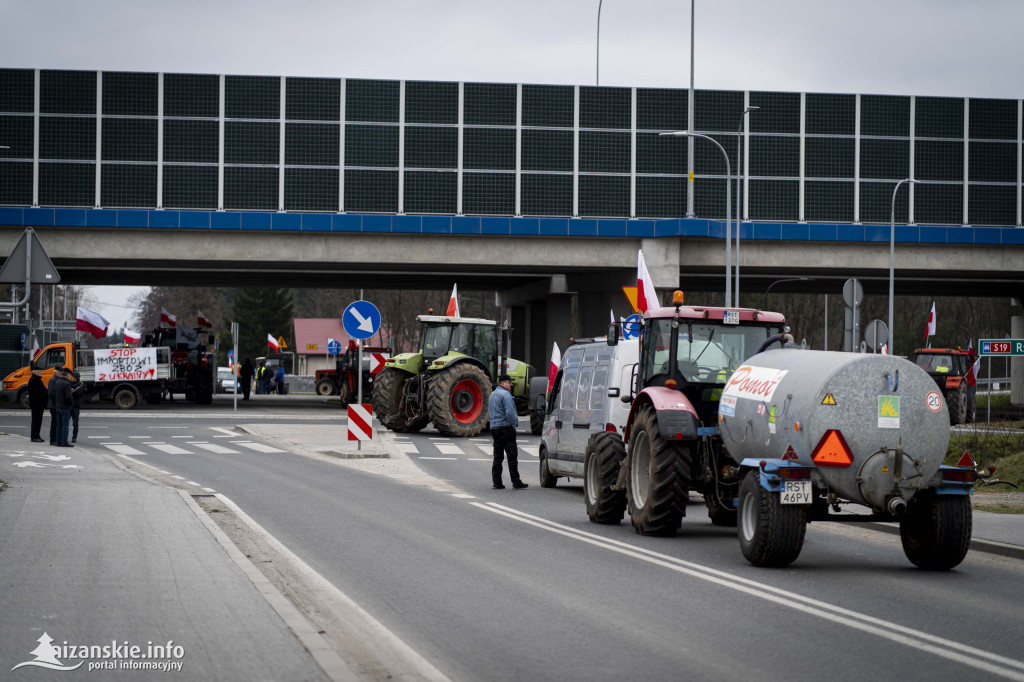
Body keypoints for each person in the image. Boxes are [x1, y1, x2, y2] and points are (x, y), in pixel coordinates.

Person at [488, 374, 527, 490]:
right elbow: (510, 412)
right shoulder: (506, 395)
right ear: (503, 383)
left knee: (498, 456)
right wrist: (514, 424)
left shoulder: (492, 395)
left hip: (494, 428)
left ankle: (497, 482)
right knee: (512, 456)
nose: (511, 385)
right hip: (505, 427)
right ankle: (516, 481)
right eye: (509, 382)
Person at [54, 368, 75, 447]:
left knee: (59, 425)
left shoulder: (57, 382)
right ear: (67, 375)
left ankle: (58, 441)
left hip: (58, 406)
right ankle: (64, 442)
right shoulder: (67, 384)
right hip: (65, 407)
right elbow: (68, 396)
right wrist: (72, 404)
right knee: (65, 425)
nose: (70, 376)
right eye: (69, 375)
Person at [27, 364, 48, 443]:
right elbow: (36, 393)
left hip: (40, 405)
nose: (40, 372)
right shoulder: (33, 380)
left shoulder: (37, 379)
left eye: (41, 371)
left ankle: (37, 435)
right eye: (39, 371)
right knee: (36, 421)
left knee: (39, 421)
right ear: (34, 372)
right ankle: (34, 437)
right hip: (36, 405)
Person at [47, 366, 66, 445]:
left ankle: (57, 438)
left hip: (57, 404)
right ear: (55, 372)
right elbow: (51, 393)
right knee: (54, 422)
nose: (61, 373)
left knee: (58, 422)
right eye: (59, 372)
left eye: (61, 372)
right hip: (54, 405)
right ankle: (52, 439)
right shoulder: (52, 380)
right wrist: (58, 400)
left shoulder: (57, 379)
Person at [69, 370, 85, 443]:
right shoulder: (68, 383)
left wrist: (71, 390)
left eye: (73, 377)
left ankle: (74, 437)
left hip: (76, 406)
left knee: (75, 423)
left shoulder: (81, 384)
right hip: (69, 406)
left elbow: (77, 392)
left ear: (76, 378)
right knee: (65, 422)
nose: (71, 378)